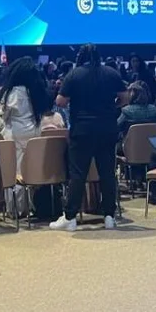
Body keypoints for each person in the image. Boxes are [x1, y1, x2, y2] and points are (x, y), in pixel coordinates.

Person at [50, 45, 127, 231]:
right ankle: (109, 216)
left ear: (80, 56)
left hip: (82, 129)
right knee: (107, 173)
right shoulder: (111, 73)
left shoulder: (74, 74)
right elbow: (125, 98)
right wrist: (110, 108)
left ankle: (70, 217)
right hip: (107, 128)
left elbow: (60, 101)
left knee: (78, 174)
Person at [0, 57, 48, 214]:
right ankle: (31, 206)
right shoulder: (36, 90)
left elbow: (4, 114)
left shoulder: (13, 92)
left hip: (16, 134)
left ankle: (16, 209)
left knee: (15, 173)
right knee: (31, 172)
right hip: (34, 133)